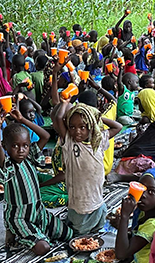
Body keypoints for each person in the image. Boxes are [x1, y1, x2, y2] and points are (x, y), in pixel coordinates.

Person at [0, 109, 72, 255]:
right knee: (44, 248)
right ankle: (16, 235)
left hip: (39, 213)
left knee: (69, 235)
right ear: (6, 146)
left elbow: (45, 136)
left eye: (25, 145)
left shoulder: (29, 158)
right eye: (15, 146)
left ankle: (35, 232)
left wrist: (22, 119)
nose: (21, 150)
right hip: (19, 218)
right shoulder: (8, 166)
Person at [52, 96, 122, 235]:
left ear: (91, 126)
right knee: (79, 228)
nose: (77, 131)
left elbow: (118, 126)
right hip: (79, 198)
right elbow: (59, 119)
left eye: (82, 127)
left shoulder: (98, 141)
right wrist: (64, 103)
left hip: (97, 195)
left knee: (98, 218)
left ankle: (95, 225)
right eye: (72, 127)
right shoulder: (70, 143)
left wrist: (96, 118)